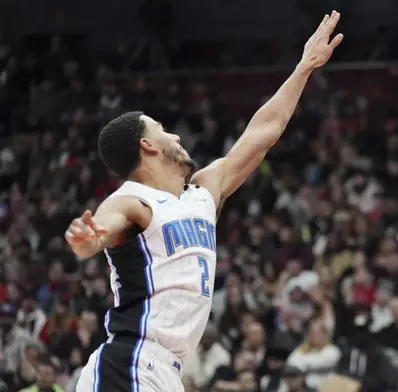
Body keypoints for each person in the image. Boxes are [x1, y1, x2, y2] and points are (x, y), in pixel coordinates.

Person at [66, 11, 344, 392]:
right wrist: (91, 238)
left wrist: (304, 67)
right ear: (147, 146)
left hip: (167, 370)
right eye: (163, 130)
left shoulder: (202, 193)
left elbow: (263, 131)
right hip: (130, 363)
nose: (176, 136)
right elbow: (107, 224)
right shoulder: (133, 199)